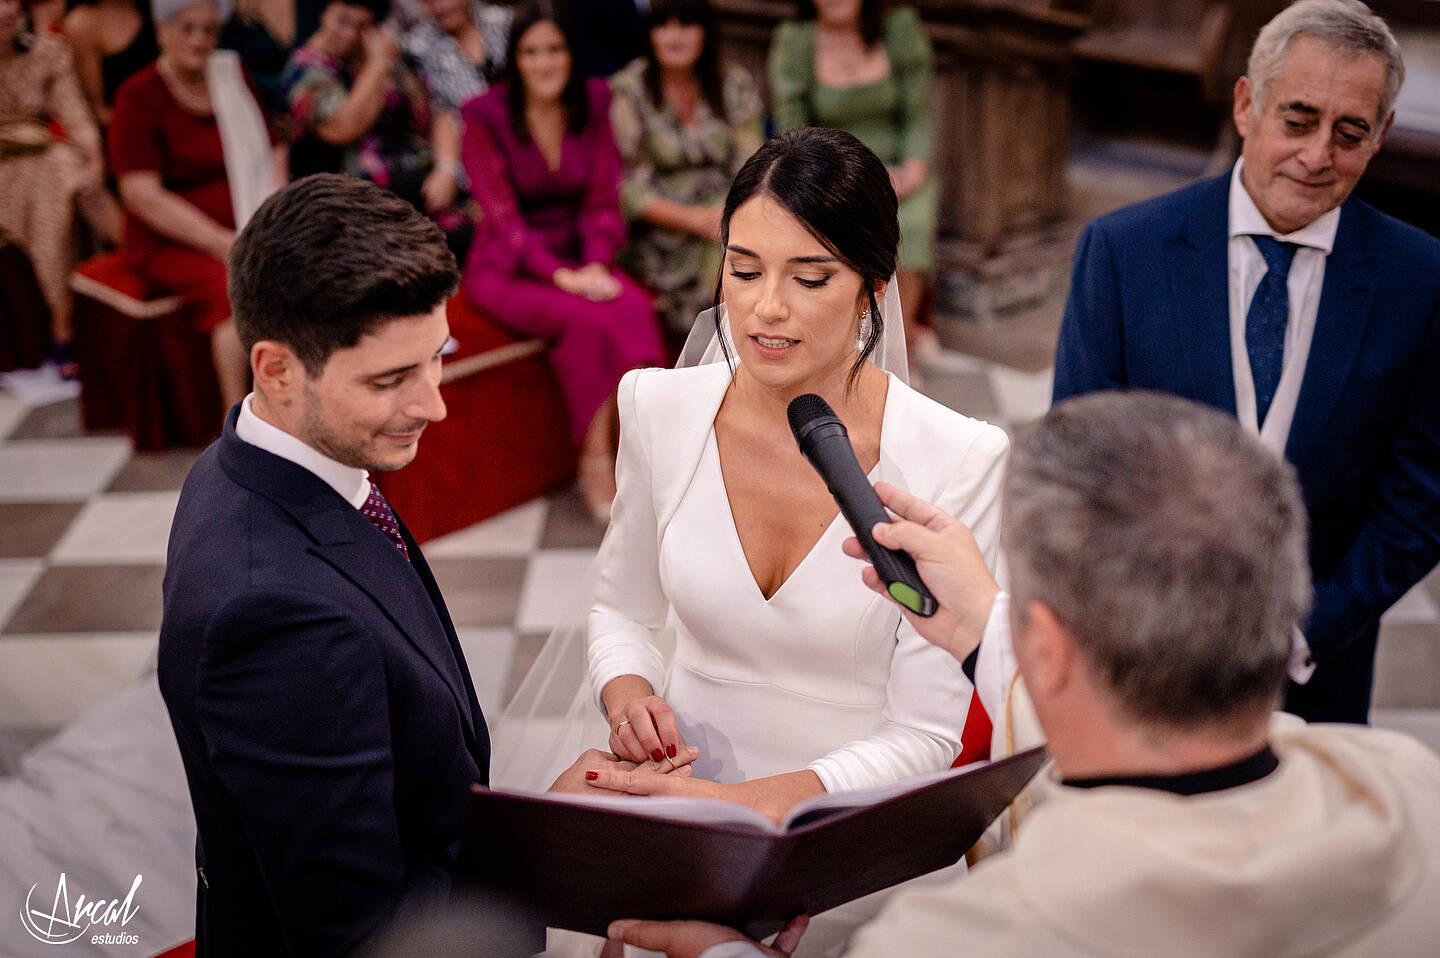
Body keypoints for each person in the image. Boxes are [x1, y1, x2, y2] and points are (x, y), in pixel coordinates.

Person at [602, 391, 1440, 958]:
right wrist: (987, 622)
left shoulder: (966, 939)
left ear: (1053, 650)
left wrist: (719, 953)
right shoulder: (1409, 789)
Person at [157, 174, 665, 957]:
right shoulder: (274, 619)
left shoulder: (249, 461)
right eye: (391, 380)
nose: (435, 404)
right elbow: (362, 933)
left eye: (438, 358)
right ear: (277, 370)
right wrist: (547, 847)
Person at [529, 126, 1003, 955]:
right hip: (682, 807)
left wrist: (751, 811)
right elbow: (619, 607)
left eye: (808, 277)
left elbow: (929, 735)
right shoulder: (657, 408)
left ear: (872, 290)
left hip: (852, 842)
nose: (763, 307)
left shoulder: (957, 457)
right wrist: (628, 695)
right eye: (743, 270)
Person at [1051, 0, 1440, 724]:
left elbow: (1422, 497)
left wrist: (1303, 630)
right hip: (1144, 661)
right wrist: (1151, 626)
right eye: (1298, 120)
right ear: (1245, 104)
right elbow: (1078, 472)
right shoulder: (1123, 253)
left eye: (1349, 132)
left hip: (1319, 671)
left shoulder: (1420, 279)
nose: (1318, 155)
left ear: (1381, 135)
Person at [461, 0, 664, 522]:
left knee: (634, 307)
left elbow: (603, 197)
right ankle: (594, 459)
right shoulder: (483, 115)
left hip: (580, 255)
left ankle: (647, 457)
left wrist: (595, 264)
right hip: (508, 263)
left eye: (554, 49)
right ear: (515, 58)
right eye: (531, 51)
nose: (544, 62)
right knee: (586, 319)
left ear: (571, 54)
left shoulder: (594, 101)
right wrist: (565, 278)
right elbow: (502, 219)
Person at [109, 0, 285, 411]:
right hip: (170, 238)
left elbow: (273, 148)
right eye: (187, 28)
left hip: (246, 224)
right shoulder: (138, 95)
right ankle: (235, 424)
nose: (200, 39)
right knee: (235, 291)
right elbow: (141, 195)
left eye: (208, 30)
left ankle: (294, 409)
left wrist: (276, 214)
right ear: (161, 32)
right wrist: (222, 242)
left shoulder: (231, 73)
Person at [768, 0, 936, 355]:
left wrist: (914, 167)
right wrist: (837, 178)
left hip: (898, 173)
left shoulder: (900, 27)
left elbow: (918, 113)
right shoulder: (795, 40)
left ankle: (896, 347)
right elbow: (793, 125)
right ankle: (843, 343)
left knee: (912, 227)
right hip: (830, 174)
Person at [609, 0, 764, 342]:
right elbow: (632, 193)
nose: (673, 37)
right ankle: (727, 369)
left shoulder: (732, 83)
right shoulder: (629, 90)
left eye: (686, 25)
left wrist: (726, 218)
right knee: (734, 259)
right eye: (663, 26)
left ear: (706, 31)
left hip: (731, 217)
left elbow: (755, 168)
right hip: (660, 232)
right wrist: (699, 221)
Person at [279, 0, 463, 248]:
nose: (350, 34)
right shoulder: (306, 69)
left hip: (416, 194)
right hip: (352, 211)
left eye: (362, 26)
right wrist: (377, 65)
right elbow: (341, 127)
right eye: (342, 20)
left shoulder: (387, 59)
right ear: (324, 13)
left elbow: (433, 112)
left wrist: (446, 168)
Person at [0, 0, 117, 376]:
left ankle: (62, 326)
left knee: (63, 179)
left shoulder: (46, 53)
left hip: (38, 159)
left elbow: (77, 117)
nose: (5, 10)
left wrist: (94, 162)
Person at [401, 0, 511, 224]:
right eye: (429, 2)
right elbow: (442, 110)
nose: (441, 7)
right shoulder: (417, 47)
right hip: (470, 164)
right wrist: (447, 167)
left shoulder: (505, 22)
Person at [64, 0, 158, 127]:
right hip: (125, 125)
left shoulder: (157, 8)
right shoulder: (83, 24)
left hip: (168, 111)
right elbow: (100, 111)